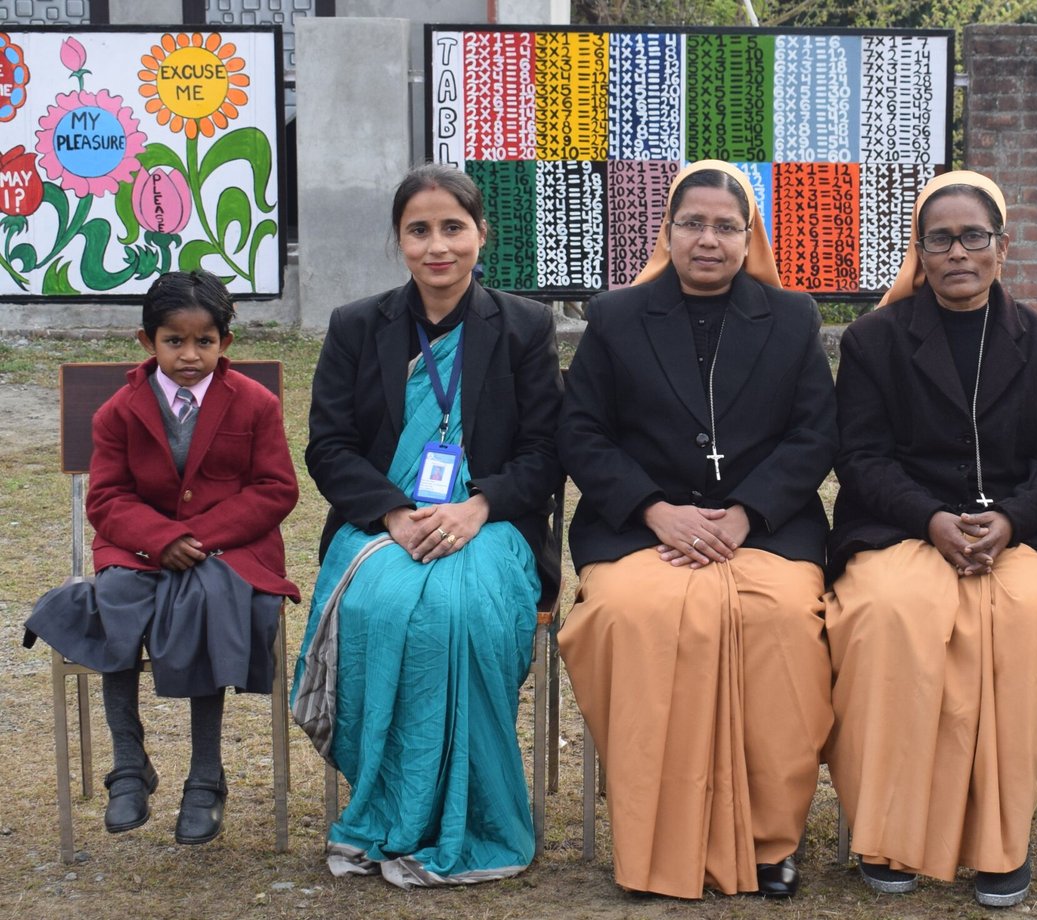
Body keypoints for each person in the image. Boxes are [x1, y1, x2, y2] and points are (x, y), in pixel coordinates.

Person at [826, 171, 1037, 909]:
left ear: (1002, 246)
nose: (957, 252)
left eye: (973, 237)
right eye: (940, 239)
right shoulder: (872, 341)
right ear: (920, 251)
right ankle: (889, 833)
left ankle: (1001, 840)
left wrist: (1013, 520)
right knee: (887, 615)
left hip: (1016, 535)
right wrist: (931, 519)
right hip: (901, 528)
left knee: (1027, 622)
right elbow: (860, 457)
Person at [558, 159, 837, 900]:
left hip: (765, 528)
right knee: (631, 616)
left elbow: (815, 434)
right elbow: (581, 432)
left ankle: (770, 841)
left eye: (725, 226)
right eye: (693, 224)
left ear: (749, 238)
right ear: (668, 232)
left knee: (782, 623)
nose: (708, 240)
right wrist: (655, 510)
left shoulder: (793, 318)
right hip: (641, 526)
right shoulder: (616, 317)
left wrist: (745, 513)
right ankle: (656, 840)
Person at [293, 164, 563, 888]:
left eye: (453, 227)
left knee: (457, 611)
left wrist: (477, 508)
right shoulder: (357, 326)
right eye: (419, 230)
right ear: (399, 239)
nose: (437, 246)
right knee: (379, 609)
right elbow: (330, 446)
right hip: (383, 521)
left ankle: (472, 822)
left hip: (491, 521)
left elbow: (545, 450)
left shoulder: (525, 325)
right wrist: (392, 513)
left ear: (482, 233)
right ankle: (390, 806)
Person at [26, 270, 299, 846]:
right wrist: (159, 538)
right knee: (113, 602)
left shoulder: (255, 403)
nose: (190, 355)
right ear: (147, 341)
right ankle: (129, 763)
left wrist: (196, 538)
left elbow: (275, 489)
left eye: (204, 341)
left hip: (228, 548)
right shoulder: (119, 411)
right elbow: (107, 497)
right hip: (139, 545)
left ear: (225, 342)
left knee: (206, 601)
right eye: (174, 341)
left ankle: (206, 775)